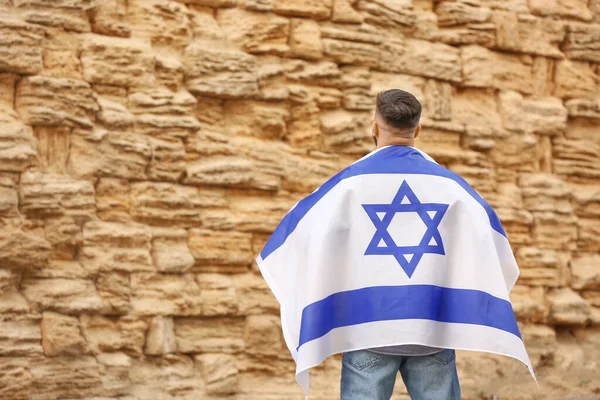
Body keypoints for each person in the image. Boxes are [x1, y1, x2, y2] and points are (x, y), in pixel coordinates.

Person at [340, 89, 461, 400]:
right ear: (417, 131)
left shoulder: (348, 184)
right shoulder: (449, 186)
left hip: (370, 325)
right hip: (430, 326)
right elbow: (480, 243)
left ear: (375, 127)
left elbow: (312, 239)